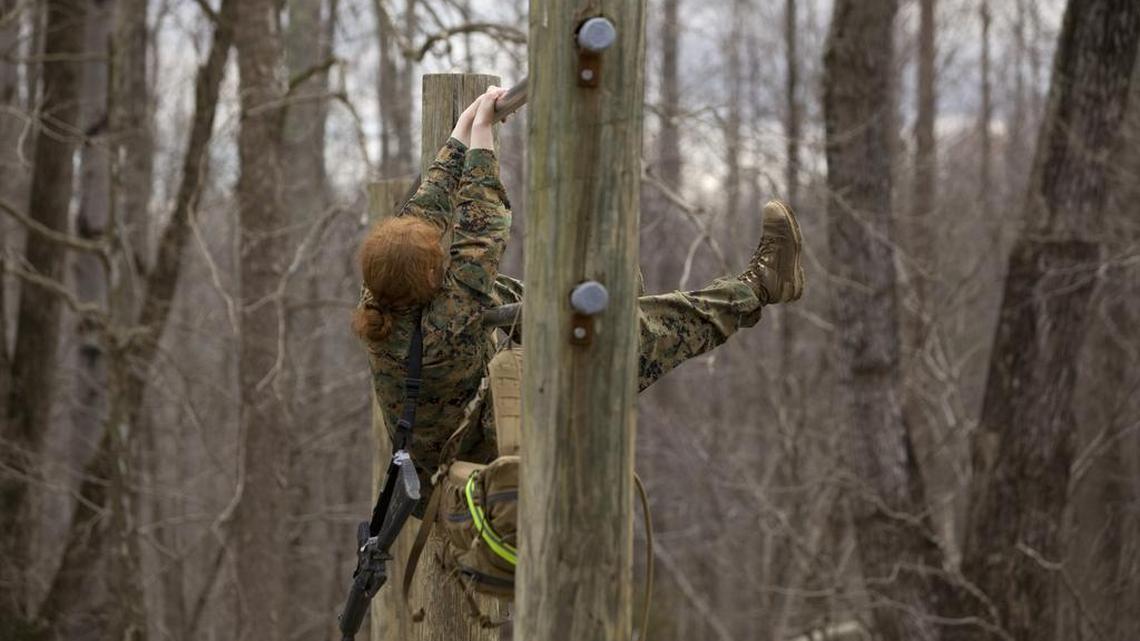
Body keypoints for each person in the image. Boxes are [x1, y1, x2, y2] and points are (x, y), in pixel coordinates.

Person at [354, 86, 804, 492]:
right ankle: (760, 286)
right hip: (483, 464)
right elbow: (484, 226)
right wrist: (483, 134)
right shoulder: (450, 316)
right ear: (431, 281)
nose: (448, 261)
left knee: (498, 299)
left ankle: (604, 305)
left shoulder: (380, 295)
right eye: (442, 263)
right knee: (626, 341)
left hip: (448, 440)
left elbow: (423, 212)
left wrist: (462, 131)